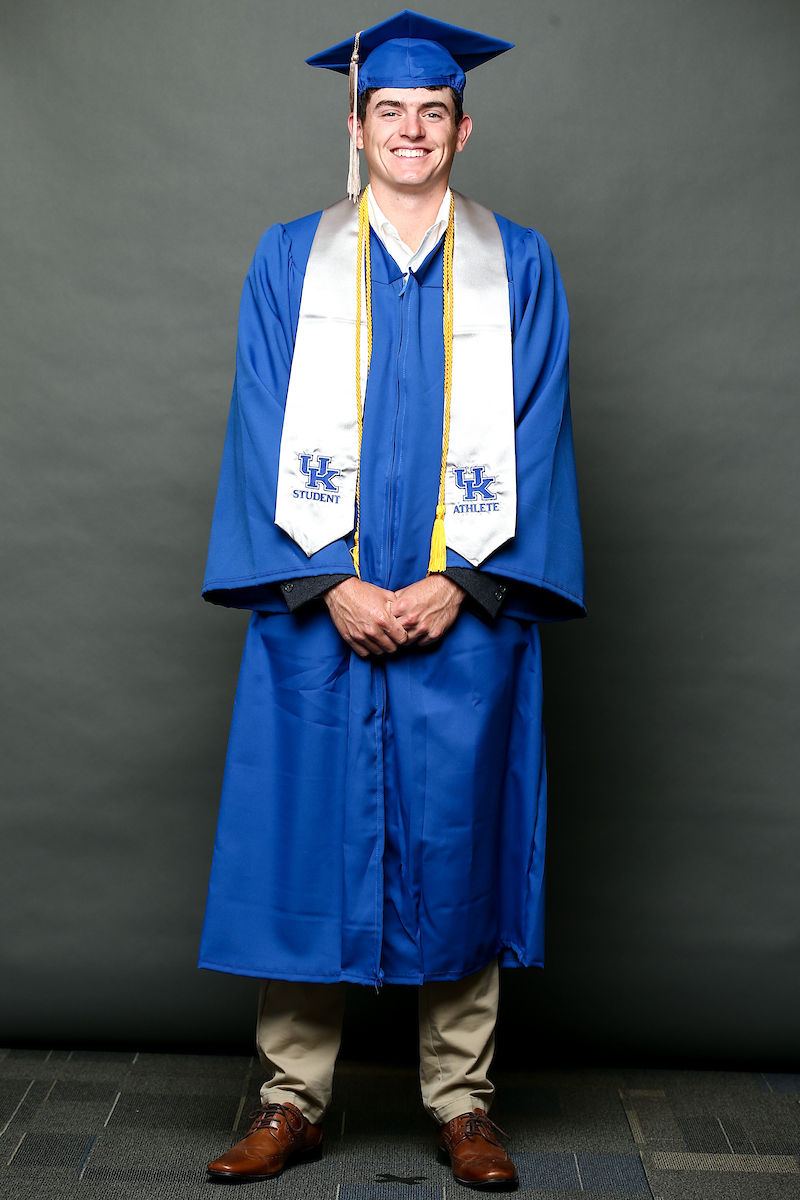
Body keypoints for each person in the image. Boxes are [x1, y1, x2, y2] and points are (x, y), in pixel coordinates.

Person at [200, 9, 585, 1190]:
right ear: (355, 125)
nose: (409, 129)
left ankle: (462, 1105)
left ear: (462, 130)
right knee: (306, 832)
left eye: (431, 112)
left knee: (459, 832)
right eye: (388, 111)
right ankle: (290, 1102)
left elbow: (538, 428)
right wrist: (326, 582)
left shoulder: (517, 263)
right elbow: (260, 418)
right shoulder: (291, 257)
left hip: (458, 606)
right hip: (323, 601)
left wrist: (459, 581)